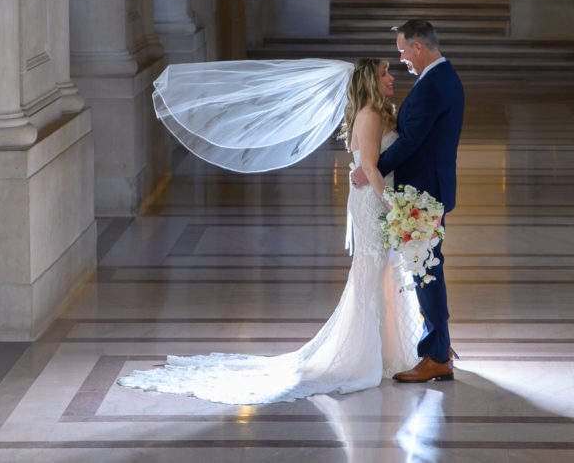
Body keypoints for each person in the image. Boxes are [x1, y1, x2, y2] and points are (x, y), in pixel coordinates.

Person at [118, 58, 422, 404]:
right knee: (373, 272)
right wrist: (394, 207)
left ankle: (388, 350)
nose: (390, 77)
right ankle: (366, 353)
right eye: (383, 73)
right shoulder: (368, 116)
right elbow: (368, 166)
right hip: (372, 203)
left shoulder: (378, 113)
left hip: (375, 199)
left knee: (383, 271)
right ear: (369, 80)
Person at [352, 19, 464, 383]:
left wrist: (370, 169)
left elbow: (411, 141)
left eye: (402, 51)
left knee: (426, 272)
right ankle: (440, 346)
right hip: (427, 192)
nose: (401, 60)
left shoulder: (433, 85)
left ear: (418, 47)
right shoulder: (441, 79)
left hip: (422, 196)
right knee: (427, 269)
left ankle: (435, 355)